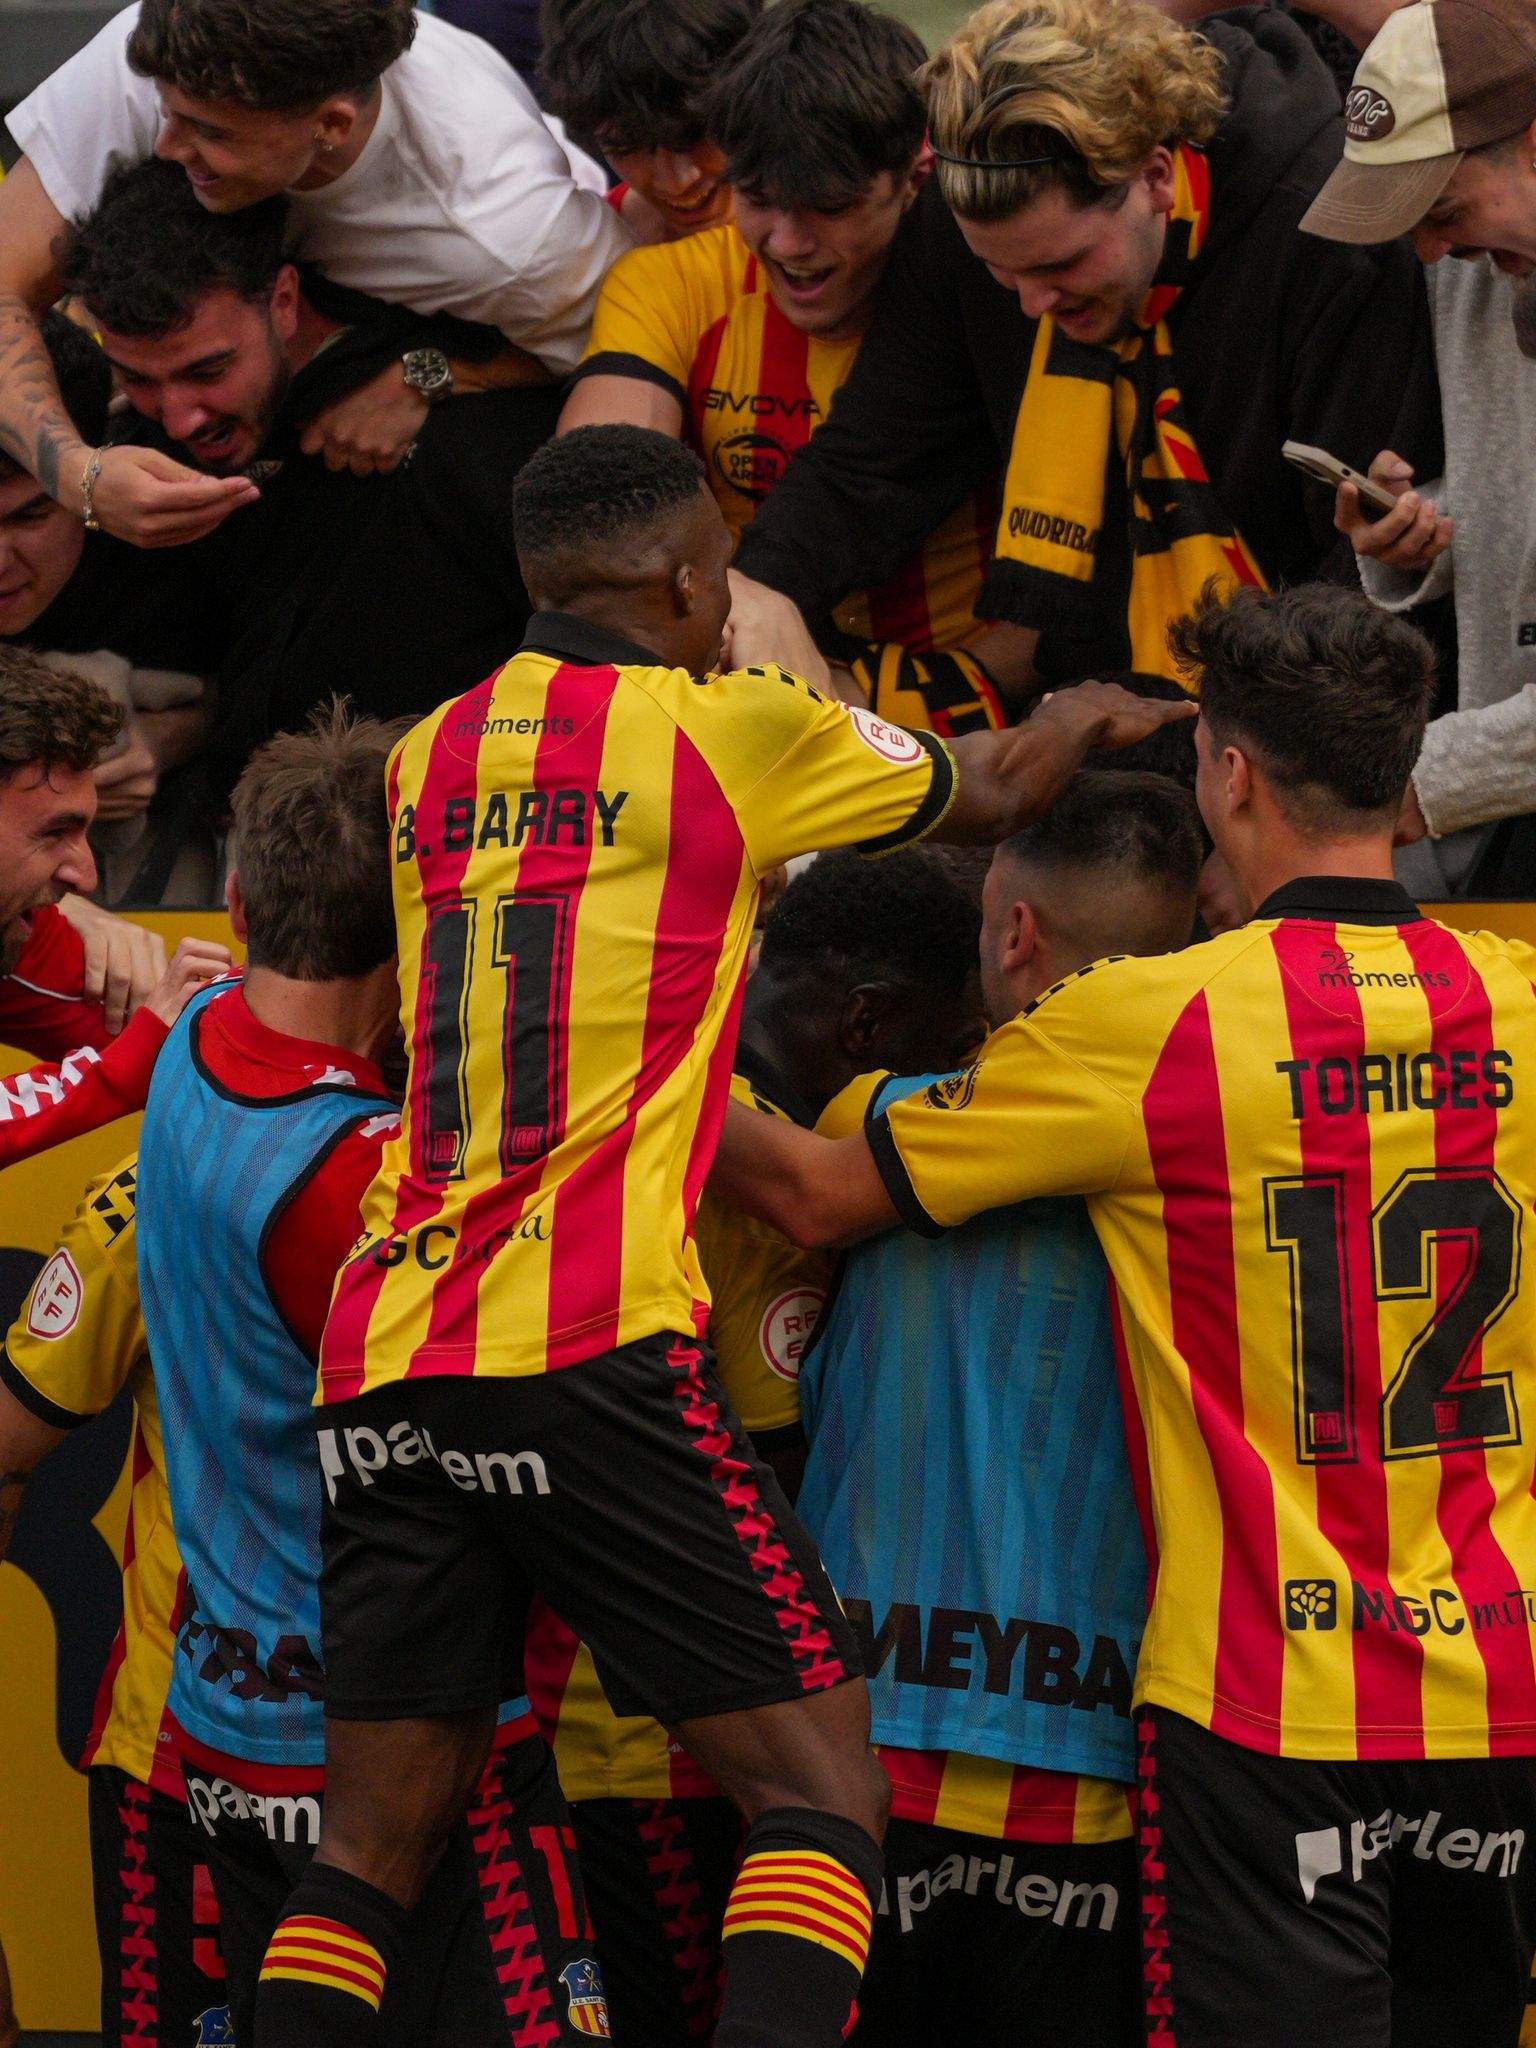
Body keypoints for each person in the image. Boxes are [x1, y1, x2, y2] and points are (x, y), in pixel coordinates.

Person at [239, 423, 1193, 2048]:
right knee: (820, 1791)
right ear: (689, 581)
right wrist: (1090, 715)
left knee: (369, 1855)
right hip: (586, 1342)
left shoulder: (427, 759)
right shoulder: (726, 730)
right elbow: (991, 787)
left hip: (388, 1348)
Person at [712, 580, 1536, 2047]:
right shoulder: (1524, 998)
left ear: (1229, 773)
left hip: (1269, 1697)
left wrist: (613, 1039)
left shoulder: (1155, 1019)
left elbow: (819, 1195)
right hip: (1509, 1683)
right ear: (1403, 768)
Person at [0, 707, 599, 2047]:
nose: (81, 869)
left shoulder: (182, 1082)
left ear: (231, 902)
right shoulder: (409, 1193)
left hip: (222, 1739)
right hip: (405, 1749)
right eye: (55, 832)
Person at [526, 846, 984, 2045]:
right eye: (945, 1045)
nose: (944, 1072)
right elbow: (769, 1474)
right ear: (867, 1021)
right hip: (677, 1749)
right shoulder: (761, 1172)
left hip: (546, 1716)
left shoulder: (621, 1096)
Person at [792, 773, 1201, 2048]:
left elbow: (797, 1203)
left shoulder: (866, 1125)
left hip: (861, 1750)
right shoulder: (1211, 1162)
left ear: (1016, 933)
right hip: (1101, 1757)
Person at [728, 0, 1440, 704]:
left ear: (1154, 178)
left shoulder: (1327, 236)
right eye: (1000, 270)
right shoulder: (958, 221)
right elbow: (875, 459)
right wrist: (751, 594)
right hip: (1088, 692)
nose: (1031, 304)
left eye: (1060, 264)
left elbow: (1363, 583)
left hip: (1303, 694)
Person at [0, 0, 626, 546]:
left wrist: (431, 375)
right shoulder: (168, 51)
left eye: (209, 132)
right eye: (166, 110)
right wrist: (79, 475)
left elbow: (640, 349)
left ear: (331, 124)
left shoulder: (504, 234)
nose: (165, 145)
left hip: (451, 360)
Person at [562, 0, 1009, 738]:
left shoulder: (1002, 280)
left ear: (916, 176)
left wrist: (858, 705)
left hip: (970, 702)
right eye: (761, 199)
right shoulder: (672, 282)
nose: (790, 243)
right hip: (746, 686)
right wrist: (749, 608)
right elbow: (592, 515)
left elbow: (1053, 616)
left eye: (828, 206)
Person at [57, 159, 562, 800]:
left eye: (208, 371)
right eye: (138, 378)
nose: (180, 419)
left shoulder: (459, 429)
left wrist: (428, 376)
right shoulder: (134, 459)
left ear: (284, 301)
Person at [1297, 0, 1536, 897]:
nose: (1432, 252)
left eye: (1443, 210)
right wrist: (1419, 534)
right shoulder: (1478, 278)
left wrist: (1422, 785)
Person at [0, 647, 229, 1164]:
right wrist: (127, 1064)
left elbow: (190, 1040)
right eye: (55, 832)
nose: (86, 878)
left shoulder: (14, 927)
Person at [538, 0, 758, 241]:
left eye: (693, 134)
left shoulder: (792, 231)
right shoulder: (585, 254)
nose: (676, 182)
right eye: (628, 145)